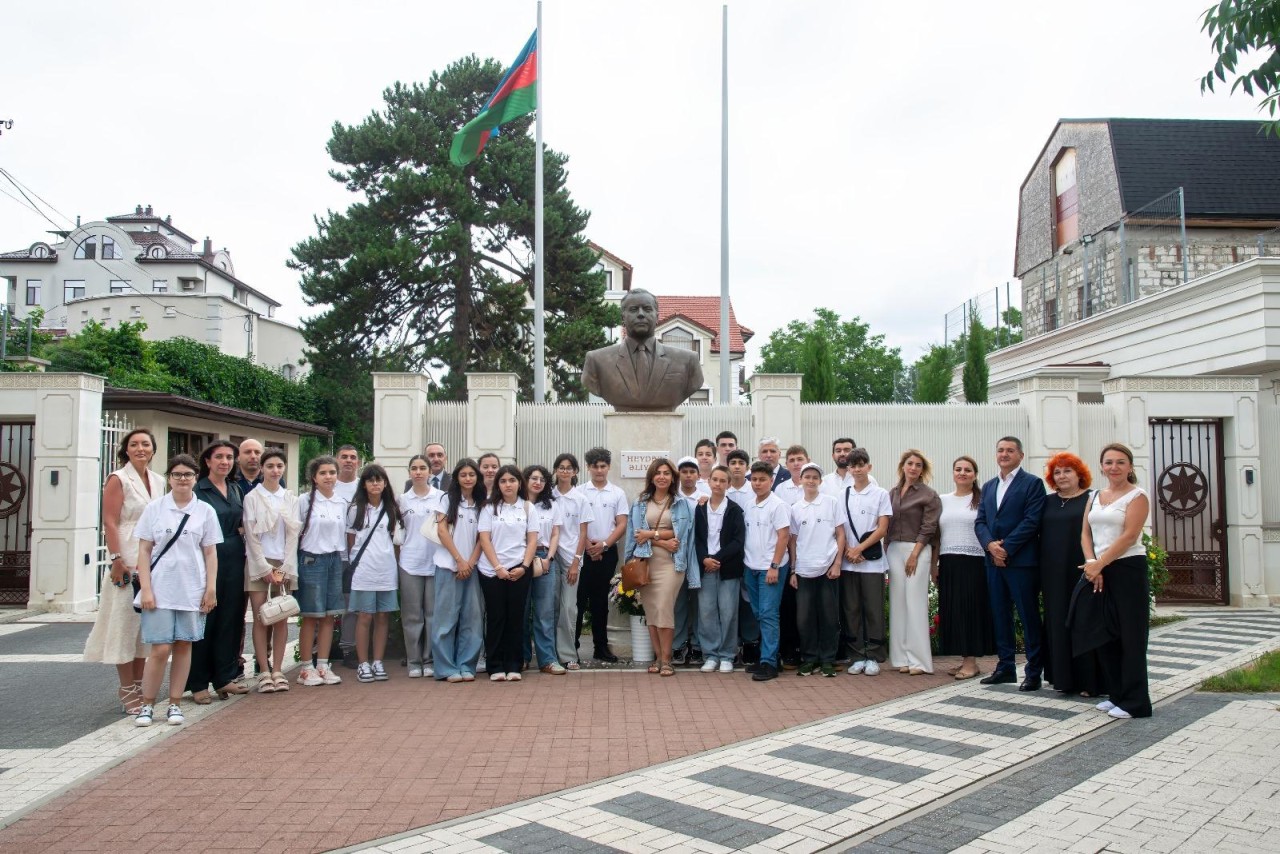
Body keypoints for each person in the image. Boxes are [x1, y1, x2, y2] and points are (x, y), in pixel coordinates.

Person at [132, 454, 221, 727]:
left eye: (188, 475)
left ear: (196, 478)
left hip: (192, 589)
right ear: (169, 478)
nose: (183, 479)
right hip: (160, 590)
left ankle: (174, 704)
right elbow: (144, 551)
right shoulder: (155, 509)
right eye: (177, 474)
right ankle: (147, 704)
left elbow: (210, 553)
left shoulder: (205, 511)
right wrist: (145, 589)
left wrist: (211, 590)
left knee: (184, 645)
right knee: (159, 649)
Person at [84, 428, 164, 715]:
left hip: (153, 556)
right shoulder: (119, 478)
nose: (140, 448)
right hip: (127, 555)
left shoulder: (158, 480)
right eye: (134, 444)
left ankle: (142, 684)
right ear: (126, 450)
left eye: (145, 444)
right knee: (125, 624)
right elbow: (110, 520)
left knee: (145, 627)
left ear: (153, 449)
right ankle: (126, 687)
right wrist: (116, 557)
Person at [1082, 443, 1152, 719]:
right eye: (1109, 462)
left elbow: (1129, 536)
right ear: (1101, 466)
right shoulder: (1095, 495)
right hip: (1098, 570)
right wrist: (1092, 564)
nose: (1114, 467)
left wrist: (1101, 562)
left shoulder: (1137, 496)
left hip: (1127, 569)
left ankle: (1136, 702)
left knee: (1131, 636)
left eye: (1120, 462)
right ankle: (1117, 694)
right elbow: (1085, 534)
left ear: (1130, 466)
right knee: (1105, 633)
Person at [975, 436, 1047, 691]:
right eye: (1000, 450)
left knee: (1028, 617)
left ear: (1020, 455)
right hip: (993, 562)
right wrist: (990, 546)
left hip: (1021, 563)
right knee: (1000, 616)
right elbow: (980, 521)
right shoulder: (989, 486)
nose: (1004, 454)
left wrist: (1005, 549)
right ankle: (1005, 668)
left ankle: (1034, 672)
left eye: (1010, 450)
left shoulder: (1032, 484)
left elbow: (1032, 521)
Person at [187, 441, 249, 703]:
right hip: (207, 558)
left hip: (235, 557)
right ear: (208, 461)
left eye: (229, 457)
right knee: (205, 620)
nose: (225, 461)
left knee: (230, 620)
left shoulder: (235, 488)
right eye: (219, 457)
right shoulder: (198, 490)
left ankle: (224, 678)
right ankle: (198, 683)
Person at [1038, 452, 1103, 696]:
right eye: (1057, 472)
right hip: (1052, 572)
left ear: (1079, 474)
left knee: (1083, 621)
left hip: (1081, 568)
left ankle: (1089, 681)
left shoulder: (1091, 498)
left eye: (1068, 471)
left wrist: (1096, 564)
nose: (1062, 476)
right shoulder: (1047, 501)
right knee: (1056, 621)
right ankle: (1062, 678)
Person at [624, 458, 696, 677]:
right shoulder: (640, 503)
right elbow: (637, 534)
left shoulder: (682, 504)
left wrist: (651, 535)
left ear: (672, 477)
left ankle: (667, 660)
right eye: (658, 473)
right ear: (652, 477)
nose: (662, 476)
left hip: (673, 563)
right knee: (652, 611)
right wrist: (660, 540)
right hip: (646, 562)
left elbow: (681, 534)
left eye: (666, 473)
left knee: (664, 607)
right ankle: (657, 657)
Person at [581, 288, 704, 411]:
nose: (641, 314)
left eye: (647, 309)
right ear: (622, 317)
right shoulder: (597, 361)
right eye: (634, 309)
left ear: (657, 317)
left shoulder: (688, 361)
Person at [242, 449, 300, 693]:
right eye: (270, 466)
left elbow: (293, 534)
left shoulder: (291, 499)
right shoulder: (253, 497)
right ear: (262, 469)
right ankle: (263, 671)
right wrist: (264, 567)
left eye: (279, 466)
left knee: (282, 616)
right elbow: (251, 535)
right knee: (260, 617)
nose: (275, 470)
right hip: (258, 562)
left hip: (285, 563)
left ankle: (278, 669)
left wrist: (285, 566)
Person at [934, 455, 994, 681]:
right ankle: (964, 659)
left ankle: (971, 662)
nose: (962, 473)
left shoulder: (983, 500)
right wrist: (934, 564)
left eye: (967, 470)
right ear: (952, 473)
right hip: (949, 561)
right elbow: (937, 536)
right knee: (954, 611)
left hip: (975, 561)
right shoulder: (943, 500)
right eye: (958, 469)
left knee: (971, 610)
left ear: (975, 475)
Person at [477, 465, 538, 682]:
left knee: (516, 617)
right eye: (503, 481)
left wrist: (524, 566)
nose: (507, 484)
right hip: (492, 571)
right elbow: (484, 539)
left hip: (519, 569)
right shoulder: (488, 508)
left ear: (519, 483)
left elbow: (532, 540)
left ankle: (514, 664)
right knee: (496, 617)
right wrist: (498, 568)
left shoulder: (528, 507)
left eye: (512, 480)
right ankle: (495, 665)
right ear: (498, 484)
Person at [346, 464, 402, 684]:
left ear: (385, 483)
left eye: (379, 480)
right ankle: (363, 663)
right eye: (370, 480)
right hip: (364, 570)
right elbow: (351, 540)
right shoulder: (355, 508)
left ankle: (378, 661)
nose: (375, 484)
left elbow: (396, 540)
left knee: (382, 616)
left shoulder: (392, 508)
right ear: (364, 484)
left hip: (386, 569)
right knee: (365, 616)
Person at [887, 450, 942, 676]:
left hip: (916, 550)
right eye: (910, 463)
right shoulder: (893, 492)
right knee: (898, 605)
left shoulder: (929, 495)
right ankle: (900, 658)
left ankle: (919, 661)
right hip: (893, 550)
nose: (913, 468)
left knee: (915, 604)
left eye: (918, 465)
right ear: (903, 466)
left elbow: (929, 527)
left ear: (922, 469)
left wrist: (915, 554)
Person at [839, 448, 892, 676]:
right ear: (848, 469)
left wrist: (859, 548)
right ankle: (857, 655)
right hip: (848, 561)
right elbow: (839, 527)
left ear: (869, 466)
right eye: (853, 465)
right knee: (851, 609)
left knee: (873, 609)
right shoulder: (843, 494)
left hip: (871, 561)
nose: (857, 469)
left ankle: (874, 656)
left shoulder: (880, 494)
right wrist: (849, 552)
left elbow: (882, 528)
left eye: (861, 464)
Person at [788, 463, 845, 677]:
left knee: (830, 617)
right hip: (803, 571)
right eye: (807, 477)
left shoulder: (831, 503)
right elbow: (792, 541)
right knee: (804, 619)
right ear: (801, 480)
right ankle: (809, 659)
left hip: (827, 568)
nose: (810, 480)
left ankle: (828, 660)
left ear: (820, 481)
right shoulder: (795, 508)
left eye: (815, 477)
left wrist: (837, 563)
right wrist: (793, 570)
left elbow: (841, 534)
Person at [294, 455, 346, 687]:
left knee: (329, 615)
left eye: (332, 473)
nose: (328, 477)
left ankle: (323, 664)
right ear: (314, 477)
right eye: (323, 473)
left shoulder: (341, 502)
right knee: (311, 615)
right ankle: (306, 667)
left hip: (335, 560)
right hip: (311, 561)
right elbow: (293, 534)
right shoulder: (304, 501)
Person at [433, 459, 486, 682]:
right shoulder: (445, 499)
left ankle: (466, 665)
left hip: (472, 568)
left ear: (477, 477)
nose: (467, 478)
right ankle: (446, 668)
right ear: (456, 477)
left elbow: (484, 537)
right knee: (445, 620)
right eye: (463, 474)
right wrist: (459, 560)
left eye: (471, 474)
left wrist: (470, 563)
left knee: (472, 620)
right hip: (448, 566)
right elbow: (442, 531)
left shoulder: (484, 503)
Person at [694, 465, 746, 674]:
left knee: (728, 611)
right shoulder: (700, 508)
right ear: (709, 482)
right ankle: (710, 655)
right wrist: (704, 559)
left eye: (722, 481)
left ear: (728, 484)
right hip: (706, 568)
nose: (717, 484)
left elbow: (738, 541)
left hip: (727, 569)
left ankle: (727, 655)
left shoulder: (734, 510)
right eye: (714, 479)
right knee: (706, 612)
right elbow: (696, 539)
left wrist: (717, 558)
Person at [578, 447, 628, 663]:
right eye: (595, 466)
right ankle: (573, 648)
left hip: (607, 553)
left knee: (600, 602)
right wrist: (589, 546)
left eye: (603, 466)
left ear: (608, 467)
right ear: (588, 468)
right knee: (578, 602)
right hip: (582, 553)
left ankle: (601, 647)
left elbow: (622, 523)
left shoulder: (617, 493)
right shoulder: (579, 491)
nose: (599, 470)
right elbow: (576, 524)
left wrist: (604, 545)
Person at [743, 461, 791, 682]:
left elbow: (783, 536)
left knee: (769, 614)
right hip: (751, 567)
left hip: (770, 568)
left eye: (762, 479)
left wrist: (774, 565)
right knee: (759, 613)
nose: (758, 483)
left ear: (771, 481)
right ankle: (769, 655)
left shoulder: (778, 505)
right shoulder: (749, 504)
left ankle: (769, 663)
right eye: (754, 479)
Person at [398, 454, 445, 679]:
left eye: (422, 468)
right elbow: (398, 534)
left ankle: (430, 659)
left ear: (429, 472)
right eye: (414, 468)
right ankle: (413, 660)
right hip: (409, 563)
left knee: (433, 614)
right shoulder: (402, 500)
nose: (418, 472)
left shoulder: (441, 498)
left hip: (436, 562)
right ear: (409, 472)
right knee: (412, 616)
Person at [550, 453, 593, 671]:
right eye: (561, 467)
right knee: (549, 608)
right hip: (548, 557)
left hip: (570, 560)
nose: (565, 471)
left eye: (569, 468)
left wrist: (576, 562)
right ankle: (548, 654)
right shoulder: (548, 496)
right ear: (556, 470)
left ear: (575, 472)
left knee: (568, 608)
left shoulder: (581, 499)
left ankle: (567, 654)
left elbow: (583, 533)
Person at [523, 464, 565, 675]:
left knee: (544, 612)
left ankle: (547, 659)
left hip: (544, 558)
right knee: (520, 611)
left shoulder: (552, 505)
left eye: (542, 479)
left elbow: (555, 533)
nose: (537, 482)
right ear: (526, 480)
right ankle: (521, 657)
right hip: (520, 560)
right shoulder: (517, 504)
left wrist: (549, 557)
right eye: (533, 478)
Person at [672, 456, 709, 665]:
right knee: (678, 603)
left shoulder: (705, 497)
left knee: (698, 603)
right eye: (684, 472)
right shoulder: (673, 498)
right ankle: (677, 646)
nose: (688, 476)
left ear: (698, 475)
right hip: (676, 555)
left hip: (698, 556)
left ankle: (696, 646)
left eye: (691, 472)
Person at [334, 444, 361, 667]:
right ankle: (316, 652)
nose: (349, 461)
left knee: (352, 606)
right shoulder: (328, 484)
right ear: (337, 460)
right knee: (322, 606)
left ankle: (349, 649)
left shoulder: (364, 487)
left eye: (353, 457)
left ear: (358, 462)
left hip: (355, 557)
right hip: (330, 554)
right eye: (344, 457)